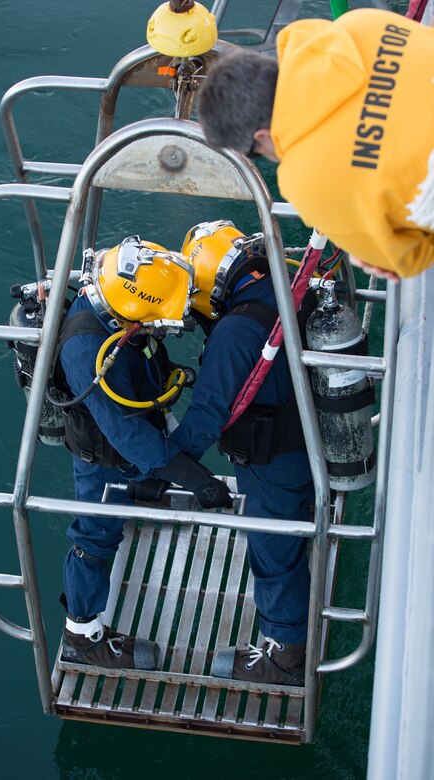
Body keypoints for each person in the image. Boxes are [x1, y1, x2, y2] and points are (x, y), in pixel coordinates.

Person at [56, 235, 232, 671]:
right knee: (95, 535)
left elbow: (147, 359)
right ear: (133, 312)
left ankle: (144, 483)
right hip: (105, 460)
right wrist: (196, 480)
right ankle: (83, 634)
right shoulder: (86, 351)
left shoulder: (120, 310)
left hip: (136, 432)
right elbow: (126, 433)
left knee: (140, 472)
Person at [163, 220, 315, 685]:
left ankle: (284, 655)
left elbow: (208, 413)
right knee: (289, 531)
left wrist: (165, 464)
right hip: (310, 440)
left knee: (272, 548)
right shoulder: (290, 285)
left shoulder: (234, 331)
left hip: (273, 459)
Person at [196, 8, 434, 281]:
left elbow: (410, 260)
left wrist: (375, 252)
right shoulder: (358, 25)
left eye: (255, 152)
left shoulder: (307, 183)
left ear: (261, 137)